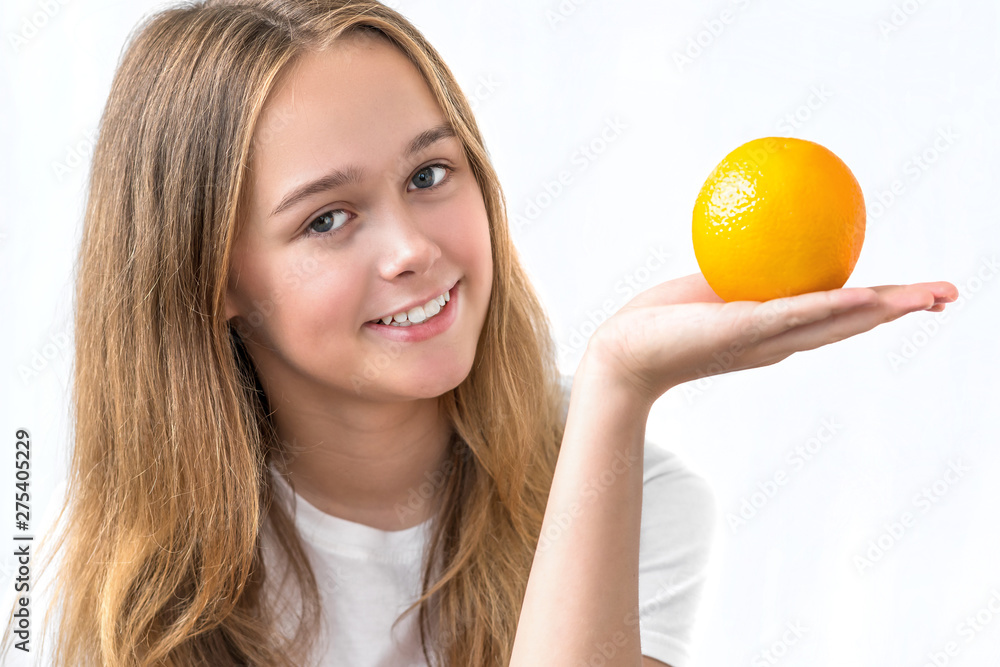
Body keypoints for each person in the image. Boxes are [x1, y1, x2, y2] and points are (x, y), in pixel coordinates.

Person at [0, 1, 958, 665]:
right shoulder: (64, 582)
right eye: (327, 219)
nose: (414, 249)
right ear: (212, 278)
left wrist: (619, 386)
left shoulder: (639, 500)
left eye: (429, 175)